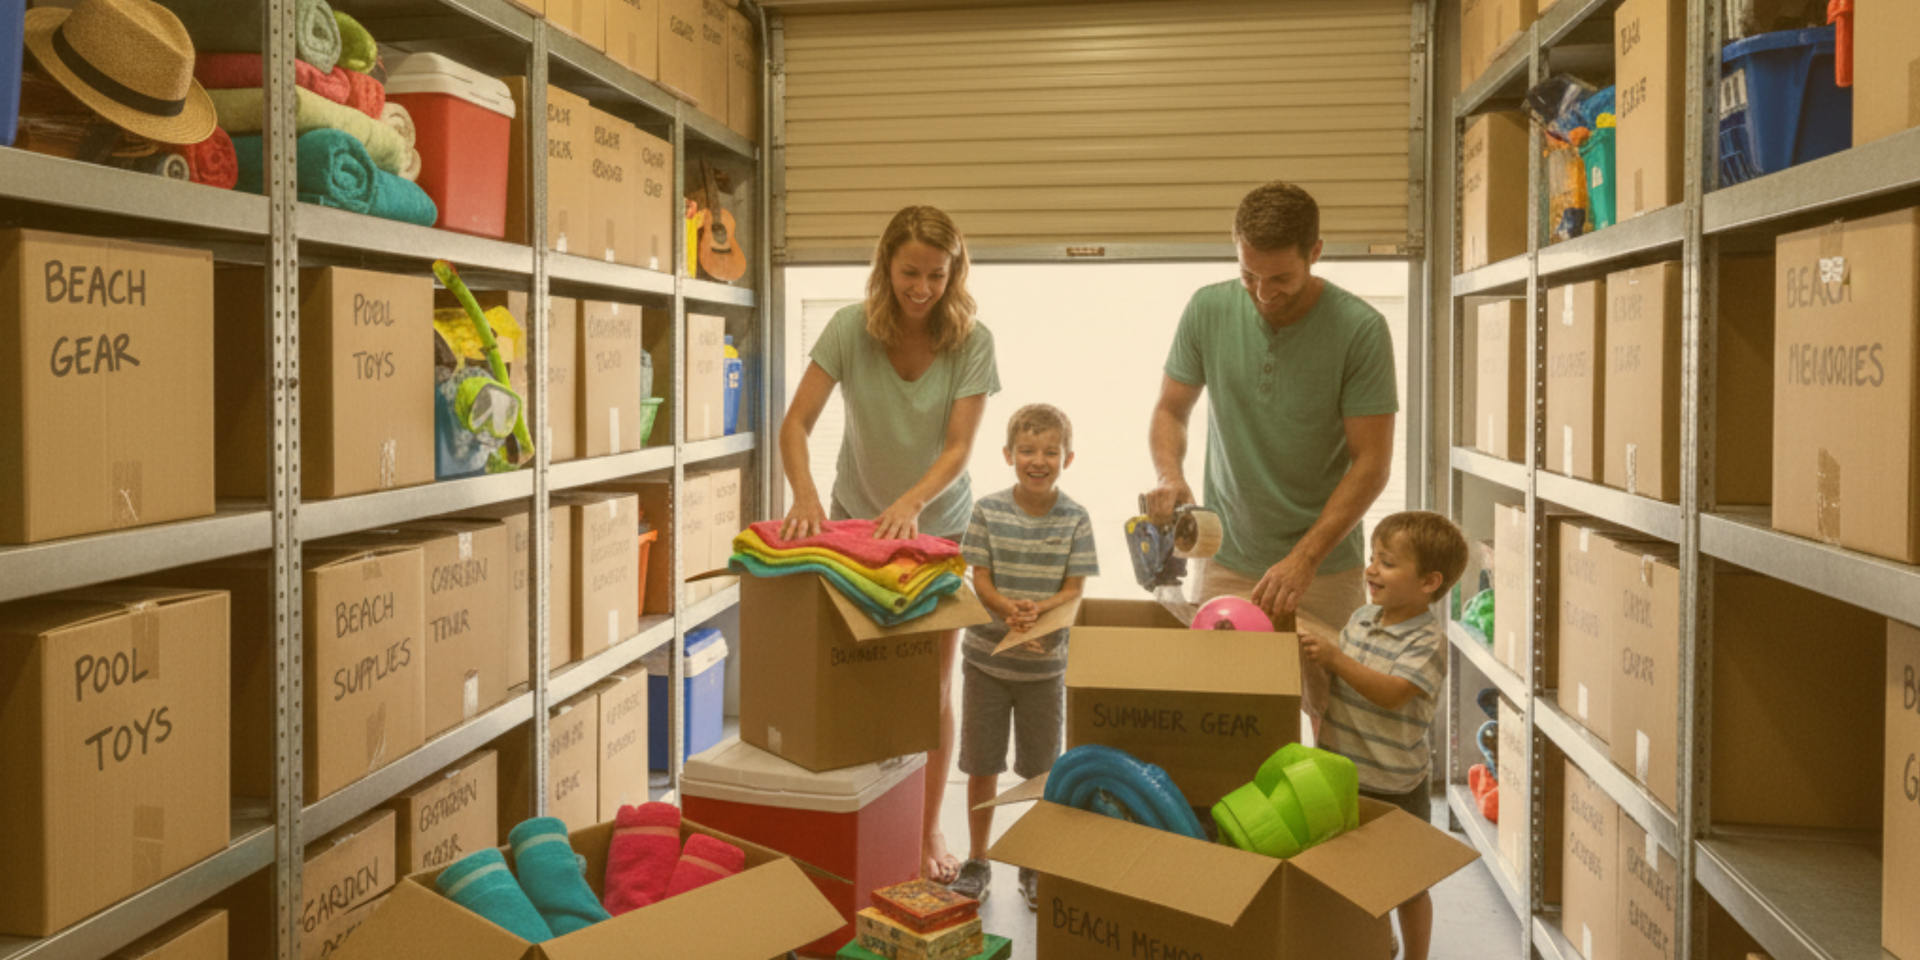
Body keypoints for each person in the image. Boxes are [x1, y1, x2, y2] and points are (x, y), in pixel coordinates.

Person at [777, 205, 1000, 883]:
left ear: (954, 271)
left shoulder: (972, 339)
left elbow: (960, 446)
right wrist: (805, 495)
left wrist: (914, 501)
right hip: (853, 524)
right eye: (910, 272)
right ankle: (856, 818)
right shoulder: (850, 328)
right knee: (856, 676)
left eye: (938, 274)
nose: (923, 287)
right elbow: (796, 424)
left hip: (938, 528)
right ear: (886, 266)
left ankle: (929, 829)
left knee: (929, 682)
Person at [1146, 181, 1398, 635]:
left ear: (1315, 251)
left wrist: (1304, 559)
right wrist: (1170, 475)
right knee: (1223, 701)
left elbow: (1372, 463)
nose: (1262, 293)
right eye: (1248, 275)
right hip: (1225, 560)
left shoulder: (1361, 330)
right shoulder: (1207, 309)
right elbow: (1169, 411)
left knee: (1328, 704)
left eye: (1280, 278)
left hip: (1323, 568)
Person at [1298, 510, 1467, 960]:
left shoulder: (1427, 642)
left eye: (1388, 562)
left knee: (1407, 885)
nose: (1372, 568)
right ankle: (1374, 946)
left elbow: (1391, 693)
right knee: (1351, 877)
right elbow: (1339, 684)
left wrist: (1334, 660)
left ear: (1430, 582)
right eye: (1373, 557)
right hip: (1342, 774)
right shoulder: (1361, 619)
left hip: (1395, 785)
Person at [949, 405, 1097, 909]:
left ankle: (1034, 861)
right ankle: (976, 858)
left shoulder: (1076, 517)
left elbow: (1074, 590)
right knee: (981, 764)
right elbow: (980, 579)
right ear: (1009, 454)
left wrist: (1040, 609)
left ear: (1067, 458)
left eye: (1050, 451)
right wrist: (1006, 608)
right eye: (1028, 450)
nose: (1039, 460)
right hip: (985, 664)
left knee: (1040, 772)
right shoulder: (988, 510)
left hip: (1045, 671)